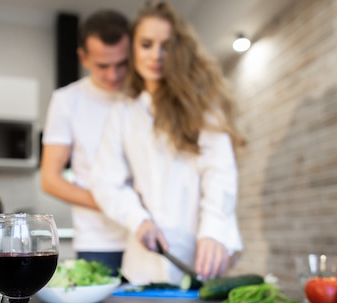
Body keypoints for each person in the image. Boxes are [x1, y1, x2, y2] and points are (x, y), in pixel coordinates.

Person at [90, 1, 244, 286]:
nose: (156, 55)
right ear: (133, 48)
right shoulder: (124, 112)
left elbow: (219, 172)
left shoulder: (203, 105)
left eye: (167, 45)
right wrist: (139, 219)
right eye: (146, 44)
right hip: (143, 262)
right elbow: (105, 181)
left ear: (179, 50)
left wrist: (213, 231)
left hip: (199, 252)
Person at [41, 10, 130, 274]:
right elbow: (50, 179)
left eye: (122, 63)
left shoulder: (144, 97)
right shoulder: (67, 101)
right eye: (103, 66)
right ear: (84, 57)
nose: (113, 75)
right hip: (98, 242)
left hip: (147, 239)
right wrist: (115, 203)